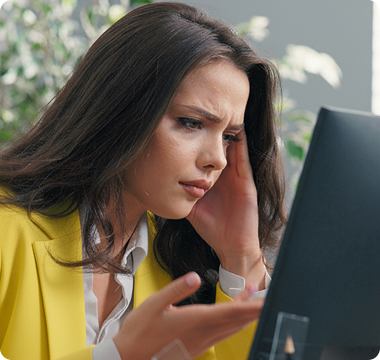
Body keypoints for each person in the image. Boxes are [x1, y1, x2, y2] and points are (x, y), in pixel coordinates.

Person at [0, 2, 286, 360]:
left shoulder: (179, 261)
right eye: (192, 123)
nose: (218, 159)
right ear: (122, 109)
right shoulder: (6, 233)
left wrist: (240, 255)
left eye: (229, 136)